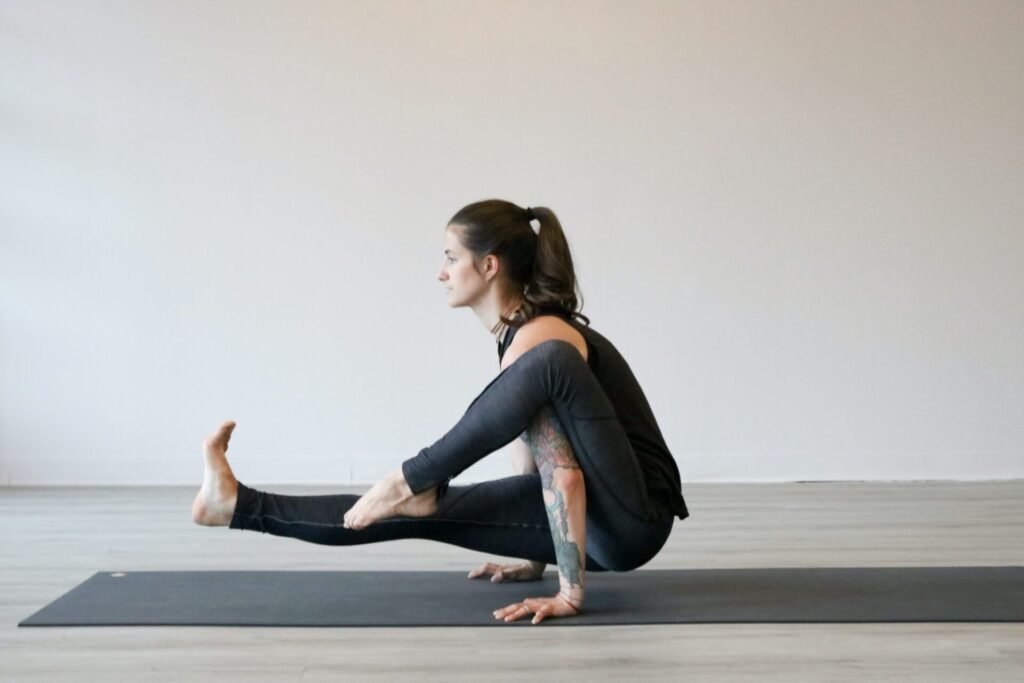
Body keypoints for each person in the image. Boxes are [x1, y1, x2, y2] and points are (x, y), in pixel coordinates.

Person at [192, 199, 689, 624]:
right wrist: (533, 554)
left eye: (452, 257)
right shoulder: (523, 343)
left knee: (543, 371)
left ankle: (414, 478)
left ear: (489, 266)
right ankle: (237, 505)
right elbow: (538, 463)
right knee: (415, 513)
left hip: (634, 518)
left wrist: (569, 594)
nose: (441, 271)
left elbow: (566, 478)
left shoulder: (543, 341)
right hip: (603, 521)